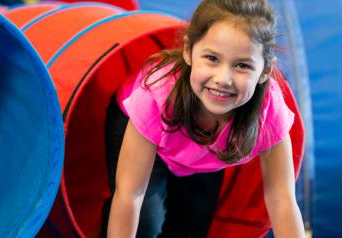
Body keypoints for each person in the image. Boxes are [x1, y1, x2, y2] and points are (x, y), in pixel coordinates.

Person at [103, 0, 306, 237]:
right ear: (189, 51)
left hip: (205, 153)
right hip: (141, 128)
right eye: (211, 58)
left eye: (242, 65)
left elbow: (281, 199)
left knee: (191, 228)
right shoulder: (156, 96)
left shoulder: (268, 108)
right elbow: (130, 195)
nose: (223, 79)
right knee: (145, 225)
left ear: (265, 71)